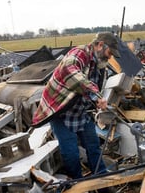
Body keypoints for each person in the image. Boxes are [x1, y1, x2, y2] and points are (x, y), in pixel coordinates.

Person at [32, 32, 121, 179]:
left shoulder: (99, 65)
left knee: (94, 148)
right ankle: (77, 184)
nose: (110, 57)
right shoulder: (78, 54)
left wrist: (96, 102)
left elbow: (94, 88)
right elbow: (71, 73)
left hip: (80, 113)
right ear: (100, 45)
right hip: (60, 112)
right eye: (109, 52)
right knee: (71, 153)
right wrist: (95, 95)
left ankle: (102, 181)